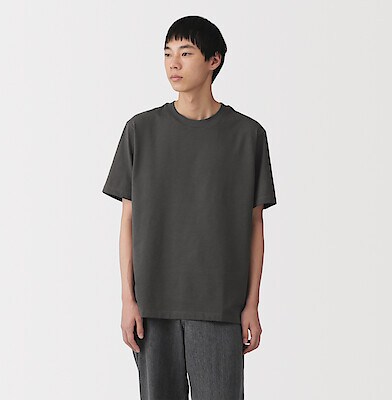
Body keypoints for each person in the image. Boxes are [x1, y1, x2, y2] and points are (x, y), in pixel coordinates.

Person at [102, 15, 277, 400]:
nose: (173, 64)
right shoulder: (140, 131)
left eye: (185, 53)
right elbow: (128, 222)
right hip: (153, 308)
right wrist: (128, 300)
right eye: (167, 54)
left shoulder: (247, 136)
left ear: (214, 60)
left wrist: (252, 304)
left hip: (220, 305)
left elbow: (255, 227)